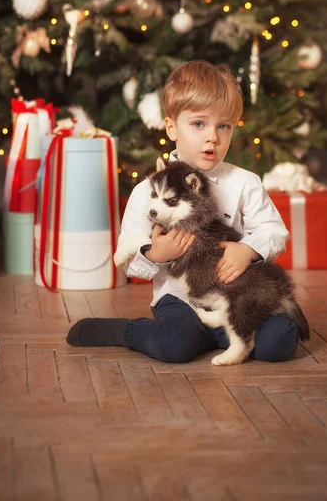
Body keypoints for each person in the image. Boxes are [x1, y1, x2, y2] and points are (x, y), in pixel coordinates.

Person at [67, 60, 299, 363]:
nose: (212, 137)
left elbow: (274, 230)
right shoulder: (149, 191)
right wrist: (154, 253)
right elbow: (129, 253)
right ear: (171, 127)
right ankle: (126, 331)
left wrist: (249, 250)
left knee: (280, 342)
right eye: (199, 124)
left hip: (237, 297)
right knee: (173, 345)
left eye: (224, 126)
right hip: (181, 299)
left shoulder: (244, 182)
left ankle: (221, 333)